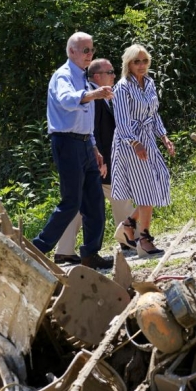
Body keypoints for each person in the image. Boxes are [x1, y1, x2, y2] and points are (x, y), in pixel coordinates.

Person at [31, 32, 114, 270]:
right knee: (71, 202)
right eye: (85, 50)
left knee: (95, 201)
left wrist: (95, 147)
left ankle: (90, 254)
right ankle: (37, 249)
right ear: (71, 52)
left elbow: (85, 118)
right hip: (66, 143)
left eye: (91, 50)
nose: (90, 54)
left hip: (85, 144)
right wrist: (96, 94)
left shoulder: (82, 78)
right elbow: (68, 101)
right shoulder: (63, 76)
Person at [53, 58, 135, 263]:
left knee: (85, 204)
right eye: (110, 72)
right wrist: (99, 159)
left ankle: (65, 249)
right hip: (97, 161)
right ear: (97, 76)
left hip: (99, 160)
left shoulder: (102, 96)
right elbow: (93, 132)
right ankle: (127, 238)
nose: (114, 75)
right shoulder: (94, 97)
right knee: (110, 197)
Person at [111, 44, 176, 257]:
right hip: (130, 142)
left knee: (160, 180)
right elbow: (121, 121)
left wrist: (163, 136)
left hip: (148, 138)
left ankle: (129, 224)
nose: (141, 65)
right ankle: (144, 239)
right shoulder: (122, 87)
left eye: (144, 61)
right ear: (128, 64)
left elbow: (154, 114)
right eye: (136, 61)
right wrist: (134, 143)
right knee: (146, 191)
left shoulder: (149, 83)